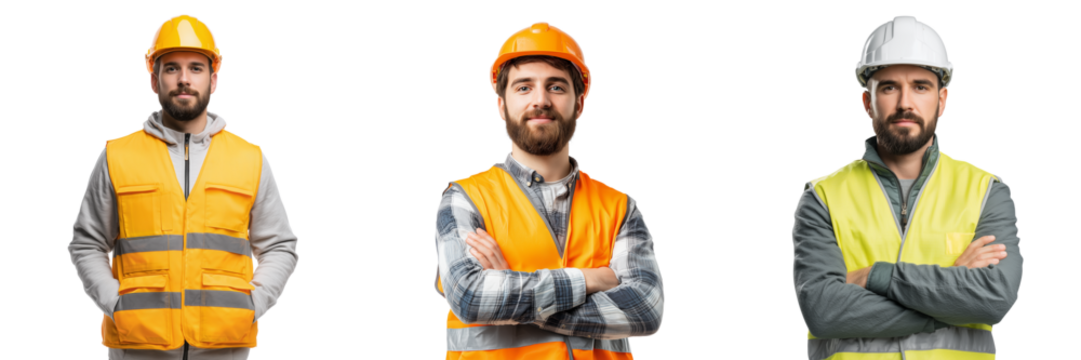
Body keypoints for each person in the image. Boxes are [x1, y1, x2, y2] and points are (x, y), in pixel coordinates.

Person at [65, 13, 301, 360]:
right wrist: (115, 304)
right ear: (154, 81)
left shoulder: (251, 159)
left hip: (225, 347)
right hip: (136, 347)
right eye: (171, 68)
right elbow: (86, 245)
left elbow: (280, 246)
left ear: (214, 79)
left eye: (196, 67)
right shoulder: (116, 156)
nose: (184, 79)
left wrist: (254, 304)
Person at [791, 14, 1023, 359]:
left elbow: (994, 300)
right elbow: (824, 313)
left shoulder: (987, 192)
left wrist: (876, 276)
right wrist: (950, 291)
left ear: (942, 100)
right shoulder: (821, 198)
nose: (904, 103)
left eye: (920, 86)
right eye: (888, 87)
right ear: (866, 103)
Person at [432, 21, 666, 359]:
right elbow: (472, 298)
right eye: (524, 87)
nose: (540, 100)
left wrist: (513, 296)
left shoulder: (619, 207)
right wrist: (590, 280)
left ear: (580, 104)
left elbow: (646, 310)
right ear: (501, 105)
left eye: (556, 87)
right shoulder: (464, 199)